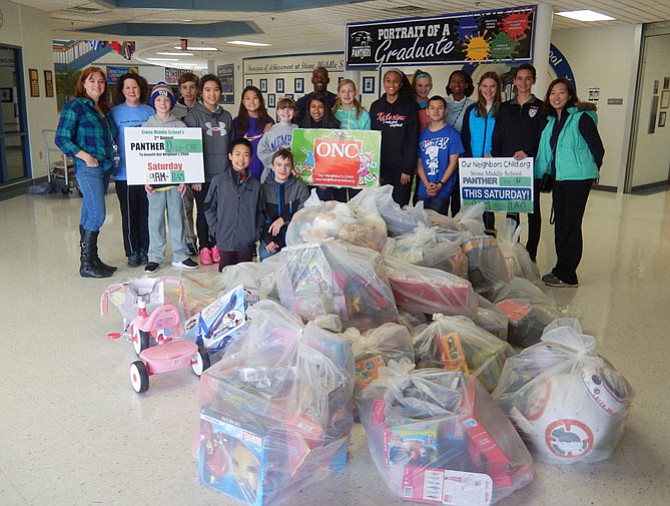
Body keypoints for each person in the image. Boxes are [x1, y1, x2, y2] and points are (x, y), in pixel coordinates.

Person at [536, 78, 604, 288]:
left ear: (570, 95)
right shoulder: (550, 121)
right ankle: (560, 269)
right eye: (552, 93)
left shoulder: (581, 118)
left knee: (572, 225)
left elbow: (598, 149)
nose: (556, 97)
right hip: (559, 178)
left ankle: (569, 275)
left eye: (561, 92)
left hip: (577, 179)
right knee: (561, 225)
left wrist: (589, 172)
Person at [56, 66, 118, 278]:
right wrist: (85, 157)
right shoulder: (75, 107)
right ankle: (86, 264)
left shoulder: (104, 109)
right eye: (92, 81)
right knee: (98, 214)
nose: (97, 85)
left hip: (104, 167)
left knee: (89, 212)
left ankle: (93, 259)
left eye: (100, 81)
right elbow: (62, 138)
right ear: (83, 83)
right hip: (88, 168)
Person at [142, 83, 199, 274]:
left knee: (177, 219)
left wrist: (184, 179)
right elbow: (142, 156)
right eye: (158, 99)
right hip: (155, 184)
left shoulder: (179, 125)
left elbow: (185, 156)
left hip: (175, 183)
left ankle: (180, 255)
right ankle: (155, 257)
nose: (163, 103)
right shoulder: (147, 126)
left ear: (172, 102)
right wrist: (145, 179)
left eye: (166, 99)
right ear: (153, 102)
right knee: (155, 220)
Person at [491, 63, 546, 261]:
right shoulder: (505, 108)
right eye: (520, 78)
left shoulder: (541, 108)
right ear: (514, 81)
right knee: (512, 211)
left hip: (530, 167)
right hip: (509, 169)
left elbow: (543, 138)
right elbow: (497, 137)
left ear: (534, 81)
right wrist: (496, 160)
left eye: (528, 78)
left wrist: (529, 153)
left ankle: (531, 254)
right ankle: (512, 250)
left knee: (532, 211)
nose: (523, 82)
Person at [184, 74, 233, 267]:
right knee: (204, 212)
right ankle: (204, 246)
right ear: (200, 92)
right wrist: (194, 175)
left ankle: (216, 245)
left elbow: (231, 147)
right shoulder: (193, 116)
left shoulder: (227, 116)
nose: (212, 94)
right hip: (201, 176)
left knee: (220, 212)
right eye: (207, 90)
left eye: (216, 89)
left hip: (222, 174)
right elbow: (189, 149)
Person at [110, 72, 154, 268]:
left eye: (135, 87)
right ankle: (132, 251)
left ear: (141, 89)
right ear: (122, 91)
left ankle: (145, 248)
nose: (131, 91)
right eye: (127, 87)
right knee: (129, 215)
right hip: (124, 173)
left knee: (146, 214)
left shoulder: (149, 112)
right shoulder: (115, 113)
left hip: (147, 173)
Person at [204, 139, 263, 272]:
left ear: (251, 158)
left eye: (246, 155)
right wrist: (216, 231)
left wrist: (254, 234)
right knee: (226, 279)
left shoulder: (255, 185)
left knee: (245, 279)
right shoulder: (218, 181)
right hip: (224, 241)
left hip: (246, 243)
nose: (241, 159)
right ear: (230, 156)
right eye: (237, 154)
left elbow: (260, 213)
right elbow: (209, 208)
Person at [460, 71, 503, 233]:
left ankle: (489, 240)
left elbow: (504, 136)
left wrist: (496, 155)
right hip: (473, 164)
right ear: (479, 88)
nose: (488, 90)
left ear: (498, 88)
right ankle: (472, 241)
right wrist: (468, 159)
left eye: (492, 86)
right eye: (485, 86)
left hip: (492, 164)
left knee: (488, 207)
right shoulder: (471, 109)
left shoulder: (503, 110)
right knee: (472, 206)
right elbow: (465, 136)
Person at [370, 68, 419, 207]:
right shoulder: (376, 106)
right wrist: (373, 169)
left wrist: (407, 169)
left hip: (401, 168)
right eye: (388, 80)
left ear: (401, 84)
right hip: (381, 167)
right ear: (384, 83)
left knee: (399, 206)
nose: (392, 84)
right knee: (380, 206)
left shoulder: (410, 107)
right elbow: (371, 138)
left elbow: (412, 138)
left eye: (396, 81)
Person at [415, 95, 464, 215]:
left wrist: (440, 184)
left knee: (439, 225)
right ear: (427, 111)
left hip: (443, 189)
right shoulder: (421, 135)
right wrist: (426, 183)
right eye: (432, 108)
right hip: (424, 188)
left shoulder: (453, 134)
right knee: (422, 224)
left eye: (440, 108)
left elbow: (453, 163)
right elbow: (419, 162)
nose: (436, 111)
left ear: (446, 110)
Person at [259, 148, 310, 260]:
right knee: (266, 256)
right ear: (272, 166)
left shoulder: (300, 187)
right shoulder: (262, 189)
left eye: (287, 165)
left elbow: (304, 214)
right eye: (279, 165)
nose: (283, 169)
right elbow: (260, 218)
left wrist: (284, 219)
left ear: (292, 167)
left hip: (295, 235)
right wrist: (267, 240)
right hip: (271, 236)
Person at [172, 72, 200, 256]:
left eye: (192, 87)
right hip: (181, 166)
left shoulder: (204, 108)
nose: (189, 92)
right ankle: (189, 240)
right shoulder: (173, 111)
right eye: (185, 88)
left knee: (206, 207)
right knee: (185, 206)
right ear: (180, 89)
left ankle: (208, 239)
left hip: (201, 165)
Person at [332, 78, 370, 201]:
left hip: (356, 164)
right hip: (337, 164)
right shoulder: (332, 114)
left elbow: (367, 139)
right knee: (338, 202)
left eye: (350, 91)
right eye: (343, 91)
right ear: (338, 94)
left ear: (355, 92)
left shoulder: (363, 115)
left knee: (357, 201)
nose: (347, 94)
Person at [445, 70, 476, 216]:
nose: (457, 84)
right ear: (449, 84)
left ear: (467, 85)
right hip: (443, 157)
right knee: (442, 196)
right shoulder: (442, 103)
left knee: (459, 196)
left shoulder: (474, 106)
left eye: (461, 81)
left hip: (463, 156)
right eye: (453, 81)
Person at [300, 93, 340, 201]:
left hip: (326, 178)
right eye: (313, 106)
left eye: (320, 107)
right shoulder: (301, 127)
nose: (316, 110)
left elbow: (336, 157)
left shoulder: (334, 128)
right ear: (308, 109)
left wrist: (326, 179)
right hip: (306, 175)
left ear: (325, 109)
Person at [233, 86, 274, 181]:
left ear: (260, 100)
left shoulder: (269, 121)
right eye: (247, 98)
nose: (251, 102)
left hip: (264, 167)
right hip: (244, 167)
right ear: (243, 102)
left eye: (255, 98)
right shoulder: (236, 122)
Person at [257, 97, 299, 182]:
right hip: (272, 176)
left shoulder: (298, 130)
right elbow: (261, 152)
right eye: (283, 108)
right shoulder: (270, 130)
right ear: (277, 111)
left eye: (290, 108)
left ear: (295, 112)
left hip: (292, 175)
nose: (286, 112)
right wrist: (278, 157)